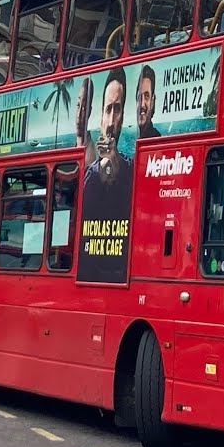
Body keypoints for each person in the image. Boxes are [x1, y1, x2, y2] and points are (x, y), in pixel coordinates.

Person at [77, 67, 134, 283]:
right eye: (108, 109)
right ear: (100, 115)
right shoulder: (89, 173)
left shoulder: (130, 167)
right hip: (86, 276)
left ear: (123, 116)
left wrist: (113, 160)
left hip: (119, 276)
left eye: (117, 110)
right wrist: (101, 167)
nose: (110, 121)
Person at [135, 64, 160, 139]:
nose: (142, 104)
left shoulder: (155, 139)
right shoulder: (136, 137)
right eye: (139, 97)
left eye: (146, 96)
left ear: (152, 102)